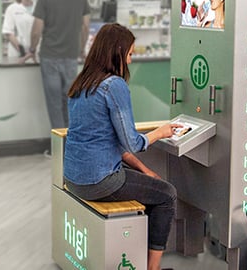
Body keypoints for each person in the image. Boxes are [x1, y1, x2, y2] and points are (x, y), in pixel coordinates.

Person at [63, 23, 181, 270]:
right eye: (129, 54)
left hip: (74, 178)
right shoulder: (114, 85)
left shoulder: (82, 84)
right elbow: (131, 142)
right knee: (167, 194)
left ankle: (140, 257)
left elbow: (112, 143)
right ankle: (153, 268)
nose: (129, 61)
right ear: (117, 52)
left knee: (150, 186)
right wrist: (161, 132)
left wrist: (145, 171)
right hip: (100, 181)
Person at [24, 0, 90, 129]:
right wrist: (82, 49)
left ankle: (59, 145)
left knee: (54, 105)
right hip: (71, 56)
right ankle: (70, 144)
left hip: (50, 56)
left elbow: (37, 30)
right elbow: (85, 27)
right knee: (70, 102)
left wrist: (32, 50)